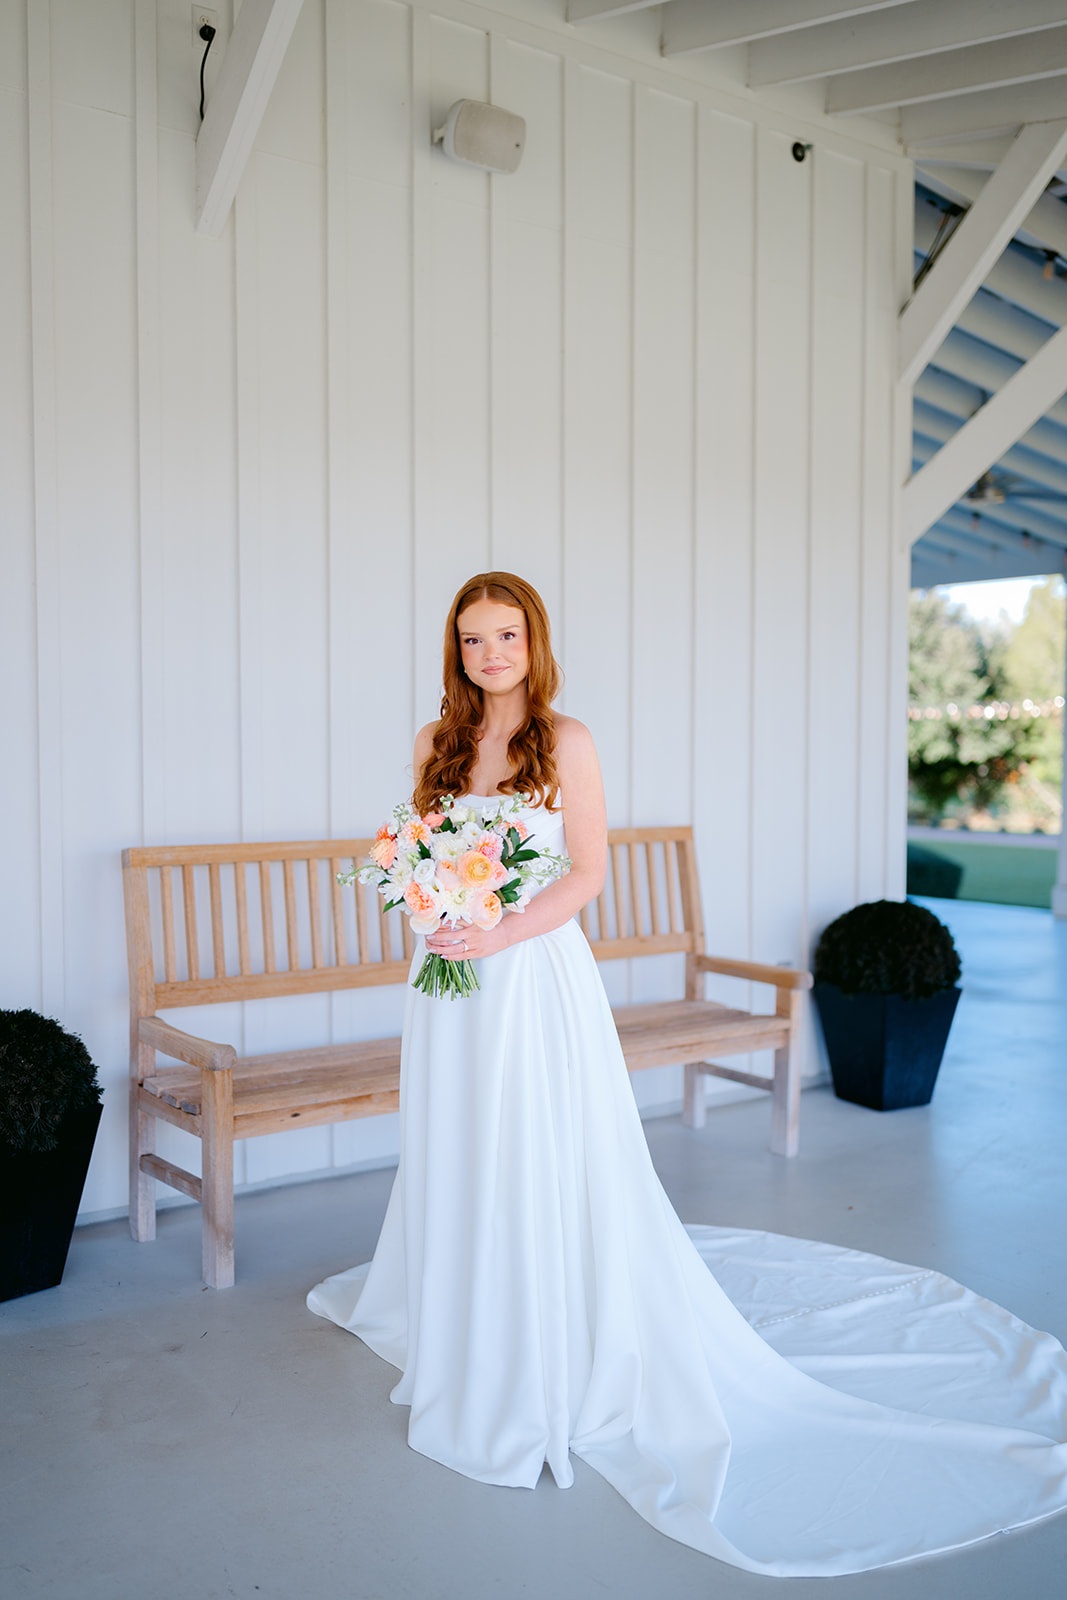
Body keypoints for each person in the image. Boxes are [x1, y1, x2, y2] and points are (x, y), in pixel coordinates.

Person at [308, 572, 1067, 1576]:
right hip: (447, 979)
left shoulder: (564, 740)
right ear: (453, 649)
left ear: (533, 641)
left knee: (536, 1147)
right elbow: (416, 851)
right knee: (455, 1141)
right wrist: (426, 910)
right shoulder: (433, 742)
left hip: (530, 974)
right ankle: (463, 1308)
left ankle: (539, 1335)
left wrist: (496, 928)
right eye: (471, 638)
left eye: (506, 634)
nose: (490, 652)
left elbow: (585, 873)